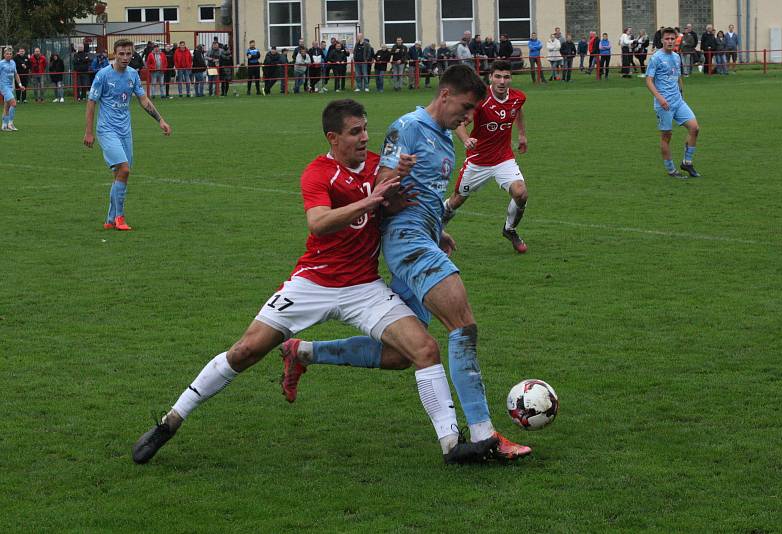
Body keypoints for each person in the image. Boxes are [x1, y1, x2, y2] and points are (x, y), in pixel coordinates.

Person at [131, 98, 500, 466]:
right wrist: (371, 201)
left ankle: (453, 446)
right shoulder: (317, 173)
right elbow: (319, 222)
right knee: (246, 350)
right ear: (333, 137)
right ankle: (170, 421)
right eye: (354, 132)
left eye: (365, 129)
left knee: (423, 350)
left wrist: (429, 231)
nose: (364, 138)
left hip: (363, 287)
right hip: (312, 283)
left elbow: (398, 206)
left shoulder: (377, 166)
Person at [283, 66, 532, 461]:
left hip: (421, 239)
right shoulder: (409, 127)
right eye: (466, 108)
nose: (468, 117)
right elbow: (383, 191)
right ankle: (485, 436)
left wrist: (436, 231)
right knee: (462, 325)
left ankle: (304, 351)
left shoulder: (446, 141)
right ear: (446, 94)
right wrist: (398, 187)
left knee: (403, 354)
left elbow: (425, 197)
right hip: (406, 243)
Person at [84, 38, 172, 231]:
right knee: (124, 170)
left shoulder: (133, 75)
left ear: (133, 54)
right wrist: (89, 132)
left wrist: (161, 120)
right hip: (107, 130)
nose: (125, 57)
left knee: (120, 175)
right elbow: (91, 103)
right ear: (114, 54)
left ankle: (109, 219)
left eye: (128, 54)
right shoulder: (103, 76)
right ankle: (120, 218)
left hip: (125, 131)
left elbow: (143, 100)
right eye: (121, 54)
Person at [441, 60, 528, 254]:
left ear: (511, 79)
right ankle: (435, 227)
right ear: (491, 77)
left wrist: (521, 134)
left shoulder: (517, 97)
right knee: (456, 200)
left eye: (506, 77)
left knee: (521, 193)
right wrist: (465, 139)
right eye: (498, 76)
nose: (502, 81)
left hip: (504, 158)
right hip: (478, 161)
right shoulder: (481, 100)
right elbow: (460, 121)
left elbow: (518, 110)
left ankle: (510, 229)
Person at [645, 27, 701, 178]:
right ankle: (671, 170)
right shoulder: (656, 58)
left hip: (678, 102)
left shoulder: (676, 57)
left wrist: (682, 94)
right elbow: (648, 80)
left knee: (695, 128)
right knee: (666, 137)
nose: (670, 41)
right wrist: (660, 98)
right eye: (667, 39)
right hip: (664, 105)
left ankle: (687, 163)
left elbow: (678, 76)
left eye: (672, 39)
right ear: (662, 40)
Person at [1, 47, 25, 131]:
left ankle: (4, 126)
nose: (9, 55)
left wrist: (20, 84)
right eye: (7, 54)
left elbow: (16, 74)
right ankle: (10, 124)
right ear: (4, 55)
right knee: (14, 104)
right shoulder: (1, 63)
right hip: (4, 87)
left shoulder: (13, 63)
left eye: (10, 54)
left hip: (10, 87)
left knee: (6, 107)